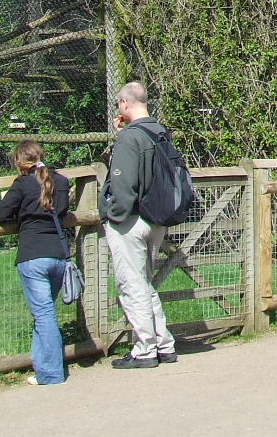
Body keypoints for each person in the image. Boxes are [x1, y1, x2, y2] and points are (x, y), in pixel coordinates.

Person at [103, 81, 178, 369]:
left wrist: (114, 214)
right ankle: (164, 343)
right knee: (144, 284)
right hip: (157, 218)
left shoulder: (128, 139)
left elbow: (123, 184)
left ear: (124, 103)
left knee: (131, 285)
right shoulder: (160, 132)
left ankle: (144, 349)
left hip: (131, 220)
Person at [0, 140, 71, 386]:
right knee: (44, 313)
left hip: (33, 255)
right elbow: (63, 211)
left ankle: (51, 374)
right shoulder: (62, 181)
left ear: (19, 162)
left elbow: (0, 214)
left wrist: (21, 212)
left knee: (44, 314)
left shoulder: (23, 183)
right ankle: (43, 368)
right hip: (59, 255)